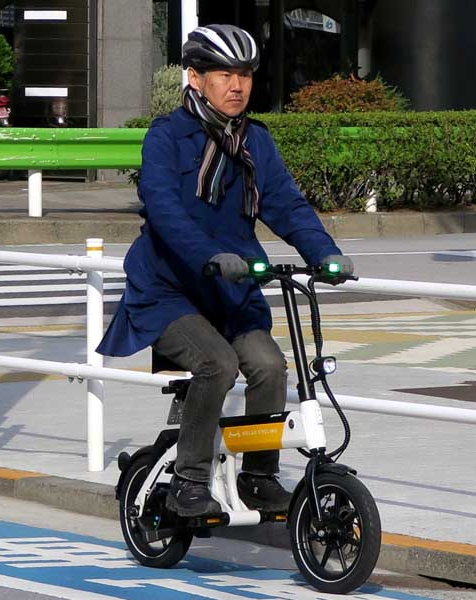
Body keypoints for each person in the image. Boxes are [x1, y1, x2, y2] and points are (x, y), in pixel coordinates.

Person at [97, 24, 353, 517]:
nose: (237, 86)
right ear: (195, 78)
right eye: (224, 75)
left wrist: (325, 254)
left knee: (270, 366)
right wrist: (208, 256)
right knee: (218, 364)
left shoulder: (255, 140)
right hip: (169, 291)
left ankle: (258, 476)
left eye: (245, 75)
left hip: (231, 291)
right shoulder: (167, 136)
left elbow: (286, 204)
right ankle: (189, 479)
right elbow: (165, 209)